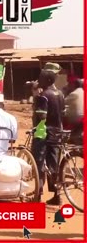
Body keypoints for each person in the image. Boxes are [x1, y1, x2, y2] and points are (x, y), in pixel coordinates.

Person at [32, 67, 65, 205]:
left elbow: (42, 115)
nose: (39, 80)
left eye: (41, 78)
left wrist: (35, 98)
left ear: (47, 80)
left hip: (43, 132)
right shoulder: (60, 94)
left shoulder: (43, 95)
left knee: (38, 162)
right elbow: (62, 113)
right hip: (57, 132)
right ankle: (57, 195)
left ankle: (37, 195)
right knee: (54, 165)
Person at [64, 78, 83, 145]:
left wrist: (65, 91)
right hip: (83, 117)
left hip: (77, 118)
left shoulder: (74, 93)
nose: (68, 85)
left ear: (74, 85)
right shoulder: (83, 92)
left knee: (60, 118)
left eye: (69, 84)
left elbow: (62, 102)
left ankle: (62, 138)